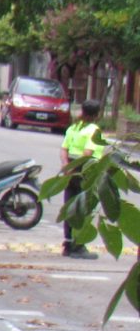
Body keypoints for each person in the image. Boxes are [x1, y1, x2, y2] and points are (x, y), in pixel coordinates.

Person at [59, 99, 107, 259]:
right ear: (97, 114)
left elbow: (64, 149)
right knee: (83, 209)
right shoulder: (94, 130)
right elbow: (87, 153)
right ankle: (78, 246)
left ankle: (68, 244)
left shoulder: (74, 127)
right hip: (85, 171)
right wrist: (75, 169)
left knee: (70, 206)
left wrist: (66, 166)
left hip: (70, 169)